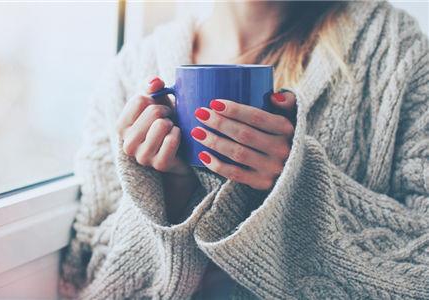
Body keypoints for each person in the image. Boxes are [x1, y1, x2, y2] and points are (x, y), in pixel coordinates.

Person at [59, 1, 429, 299]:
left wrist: (299, 187)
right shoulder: (129, 73)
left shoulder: (396, 50)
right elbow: (85, 275)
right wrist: (165, 193)